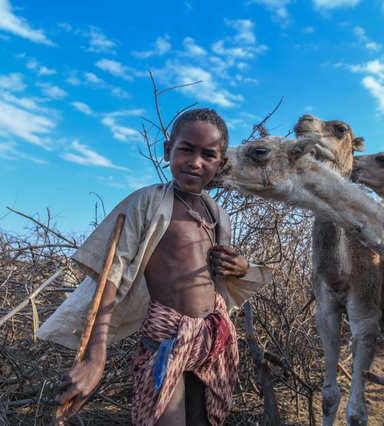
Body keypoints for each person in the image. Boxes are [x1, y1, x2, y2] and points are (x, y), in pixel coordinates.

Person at [37, 108, 271, 426]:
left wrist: (241, 267)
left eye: (208, 154)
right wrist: (95, 357)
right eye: (186, 149)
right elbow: (111, 277)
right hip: (165, 342)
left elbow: (221, 278)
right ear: (167, 151)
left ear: (221, 163)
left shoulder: (218, 215)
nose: (195, 162)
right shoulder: (147, 203)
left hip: (209, 343)